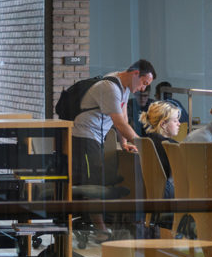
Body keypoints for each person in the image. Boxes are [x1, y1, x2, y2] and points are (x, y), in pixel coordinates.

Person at [72, 59, 156, 242]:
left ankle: (100, 226)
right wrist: (144, 146)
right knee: (93, 183)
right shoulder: (110, 88)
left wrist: (124, 142)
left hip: (95, 137)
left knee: (96, 179)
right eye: (144, 83)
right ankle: (101, 230)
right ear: (135, 74)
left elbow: (123, 119)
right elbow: (118, 122)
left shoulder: (123, 88)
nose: (143, 89)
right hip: (83, 137)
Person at [139, 101, 181, 199]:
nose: (179, 124)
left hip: (147, 192)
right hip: (165, 194)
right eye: (175, 121)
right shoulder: (171, 146)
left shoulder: (146, 141)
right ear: (163, 124)